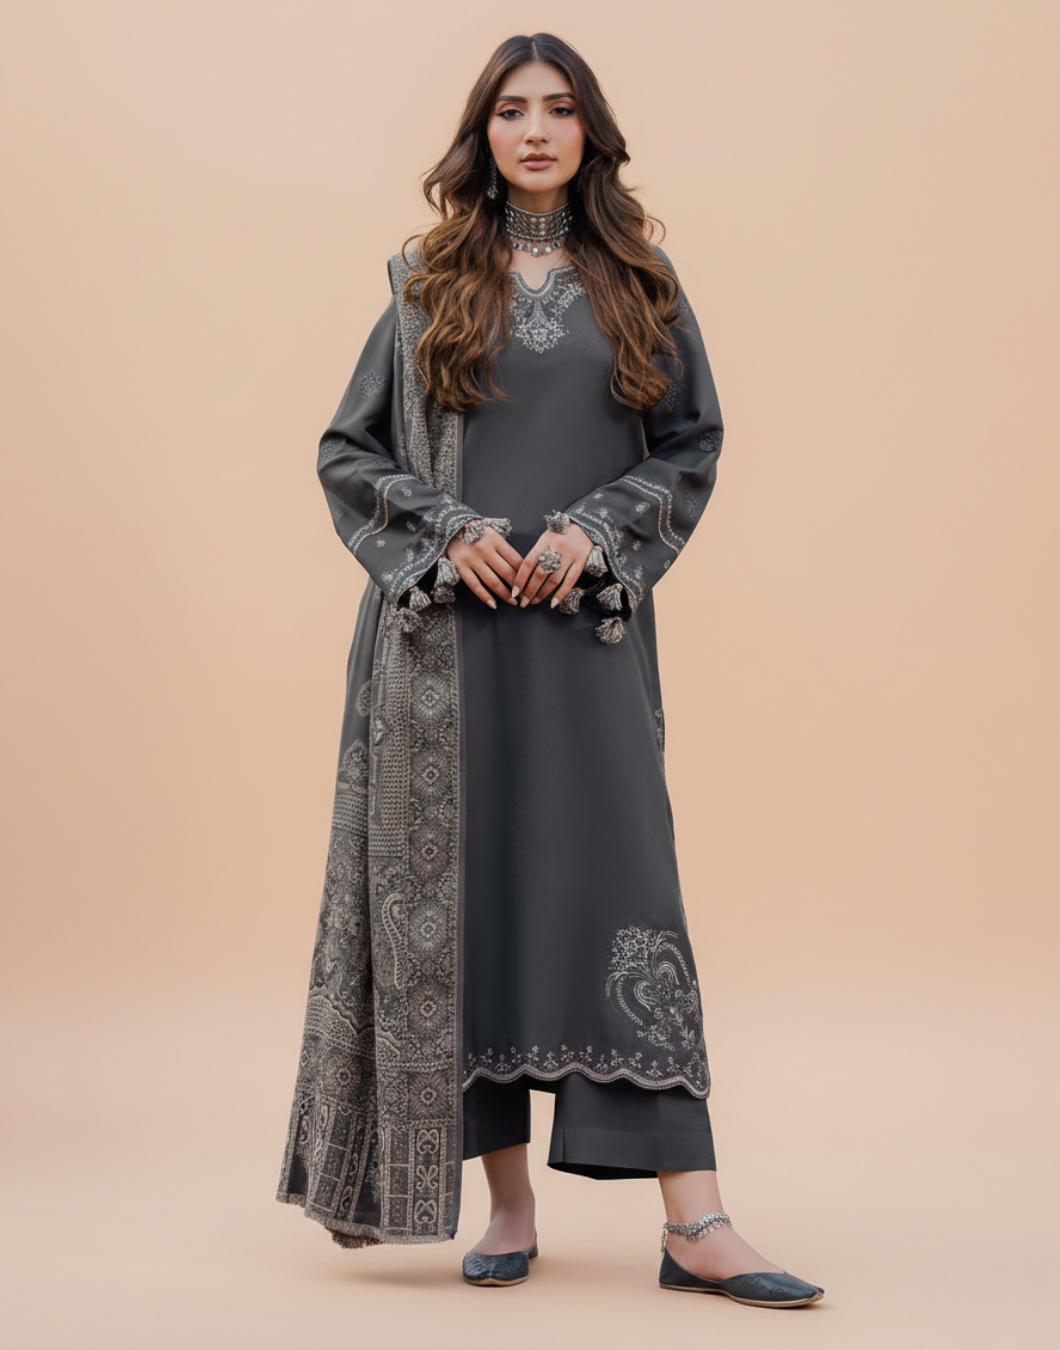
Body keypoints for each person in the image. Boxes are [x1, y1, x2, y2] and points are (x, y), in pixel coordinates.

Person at [276, 32, 824, 1309]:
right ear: (483, 134)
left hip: (587, 641)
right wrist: (449, 533)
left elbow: (691, 441)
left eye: (559, 108)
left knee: (625, 898)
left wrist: (596, 530)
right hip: (447, 655)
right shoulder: (426, 283)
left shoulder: (639, 281)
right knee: (471, 908)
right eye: (512, 110)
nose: (535, 130)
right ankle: (508, 1205)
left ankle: (696, 1222)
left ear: (591, 132)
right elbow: (348, 452)